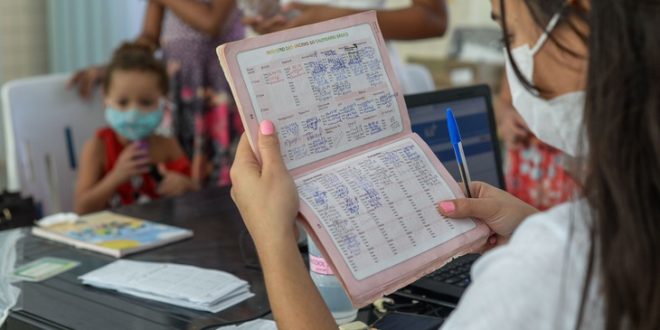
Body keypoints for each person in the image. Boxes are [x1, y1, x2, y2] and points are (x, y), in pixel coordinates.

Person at [229, 0, 660, 329]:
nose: (509, 68)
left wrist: (275, 243)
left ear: (584, 22)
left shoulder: (554, 270)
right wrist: (531, 225)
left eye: (507, 38)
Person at [70, 0, 245, 187]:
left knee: (223, 171)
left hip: (216, 93)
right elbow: (149, 38)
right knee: (182, 172)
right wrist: (117, 68)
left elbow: (212, 23)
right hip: (177, 92)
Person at [75, 43, 196, 215]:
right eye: (123, 102)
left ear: (163, 101)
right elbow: (81, 208)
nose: (133, 114)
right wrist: (116, 177)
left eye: (146, 102)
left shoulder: (167, 146)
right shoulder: (97, 148)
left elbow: (197, 190)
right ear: (105, 98)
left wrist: (184, 185)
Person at [242, 0, 448, 94]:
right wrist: (271, 17)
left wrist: (339, 20)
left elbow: (434, 19)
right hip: (296, 89)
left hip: (374, 87)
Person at [496, 75, 577, 210]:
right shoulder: (515, 55)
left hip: (571, 169)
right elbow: (504, 102)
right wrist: (506, 119)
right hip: (524, 165)